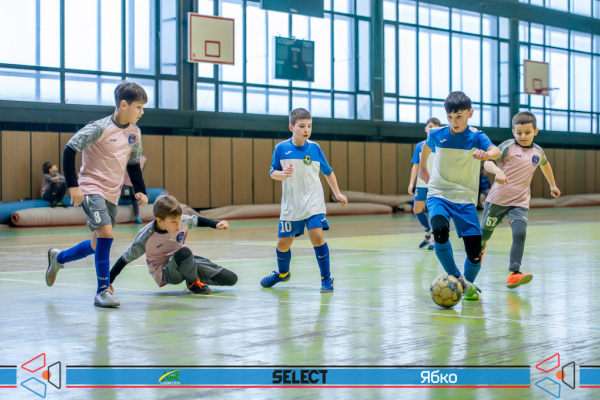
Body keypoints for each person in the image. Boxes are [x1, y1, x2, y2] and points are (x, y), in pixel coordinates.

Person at [45, 81, 149, 308]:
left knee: (96, 243)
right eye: (139, 107)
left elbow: (133, 164)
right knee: (106, 234)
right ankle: (103, 290)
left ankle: (58, 258)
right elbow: (69, 149)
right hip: (91, 187)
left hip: (112, 193)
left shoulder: (135, 133)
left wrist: (140, 190)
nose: (142, 112)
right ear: (124, 104)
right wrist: (74, 186)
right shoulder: (99, 128)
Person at [418, 91, 500, 301]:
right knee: (439, 231)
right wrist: (422, 168)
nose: (454, 122)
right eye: (450, 117)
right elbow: (426, 147)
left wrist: (486, 154)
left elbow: (496, 151)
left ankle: (465, 286)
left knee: (474, 253)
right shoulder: (436, 134)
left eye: (459, 117)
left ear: (470, 113)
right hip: (439, 194)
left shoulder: (476, 136)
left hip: (465, 198)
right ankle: (458, 280)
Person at [260, 108, 348, 293]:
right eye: (301, 126)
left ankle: (326, 278)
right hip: (291, 204)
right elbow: (272, 172)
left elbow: (328, 172)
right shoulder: (281, 148)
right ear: (291, 127)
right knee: (282, 244)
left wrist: (337, 193)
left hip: (314, 201)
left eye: (309, 126)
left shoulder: (315, 148)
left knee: (317, 235)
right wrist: (282, 174)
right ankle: (283, 273)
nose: (306, 130)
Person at [480, 111, 560, 288]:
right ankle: (480, 247)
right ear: (513, 132)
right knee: (483, 236)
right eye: (519, 132)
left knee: (520, 233)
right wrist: (498, 171)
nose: (523, 136)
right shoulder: (508, 147)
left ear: (535, 131)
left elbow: (545, 165)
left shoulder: (538, 152)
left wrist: (553, 185)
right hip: (497, 200)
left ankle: (513, 273)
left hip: (519, 202)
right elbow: (487, 162)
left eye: (527, 132)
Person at [109, 195, 237, 296]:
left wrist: (216, 224)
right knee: (184, 252)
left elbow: (197, 220)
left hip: (184, 261)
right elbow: (124, 259)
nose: (178, 225)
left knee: (231, 278)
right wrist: (108, 282)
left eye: (179, 219)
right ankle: (193, 283)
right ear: (159, 220)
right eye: (173, 222)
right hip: (165, 271)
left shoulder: (181, 221)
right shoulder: (145, 237)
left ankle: (192, 277)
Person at [408, 117, 442, 250]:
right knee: (417, 209)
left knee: (433, 211)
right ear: (426, 129)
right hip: (421, 183)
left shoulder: (441, 146)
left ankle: (434, 237)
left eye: (436, 127)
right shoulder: (420, 146)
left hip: (435, 184)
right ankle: (428, 233)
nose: (433, 129)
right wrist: (411, 183)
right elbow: (415, 166)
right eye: (431, 126)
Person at [122, 155, 147, 223]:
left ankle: (137, 216)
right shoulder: (126, 157)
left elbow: (139, 169)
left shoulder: (143, 159)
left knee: (135, 199)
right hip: (125, 183)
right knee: (125, 197)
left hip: (133, 184)